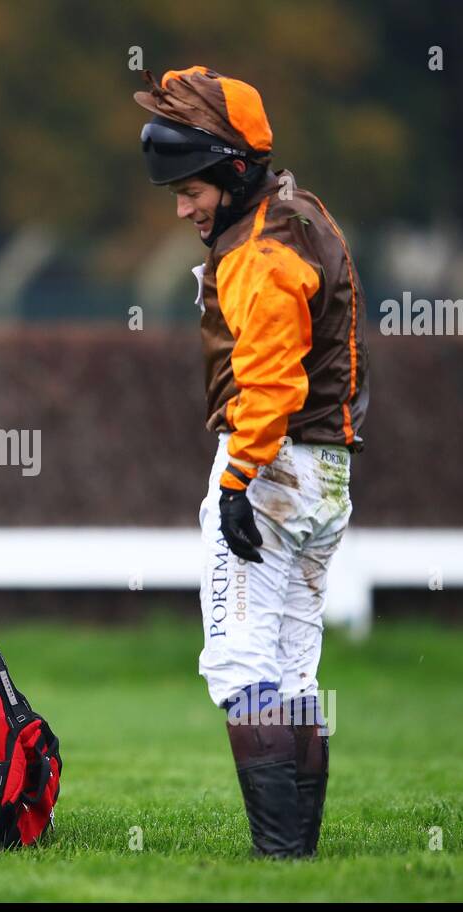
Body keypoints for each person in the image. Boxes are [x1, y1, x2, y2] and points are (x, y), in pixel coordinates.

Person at [135, 66, 370, 858]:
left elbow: (271, 379)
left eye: (191, 188)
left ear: (232, 172)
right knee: (295, 673)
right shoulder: (302, 211)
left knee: (239, 663)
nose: (182, 206)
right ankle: (298, 858)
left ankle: (277, 856)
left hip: (269, 468)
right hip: (327, 472)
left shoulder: (260, 249)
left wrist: (237, 480)